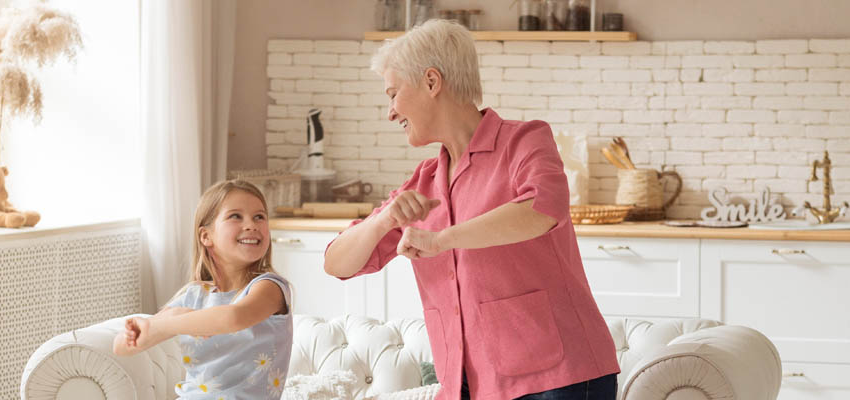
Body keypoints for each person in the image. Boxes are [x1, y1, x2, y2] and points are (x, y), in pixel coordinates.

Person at [322, 19, 619, 400]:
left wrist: (442, 239)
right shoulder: (423, 182)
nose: (391, 112)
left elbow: (541, 209)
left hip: (560, 379)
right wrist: (383, 221)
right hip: (470, 385)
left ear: (432, 82)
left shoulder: (524, 140)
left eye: (393, 94)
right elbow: (336, 263)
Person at [114, 180, 293, 399]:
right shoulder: (193, 295)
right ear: (206, 236)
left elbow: (233, 318)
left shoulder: (270, 287)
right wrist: (139, 332)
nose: (251, 225)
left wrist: (171, 322)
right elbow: (122, 348)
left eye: (259, 216)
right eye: (236, 216)